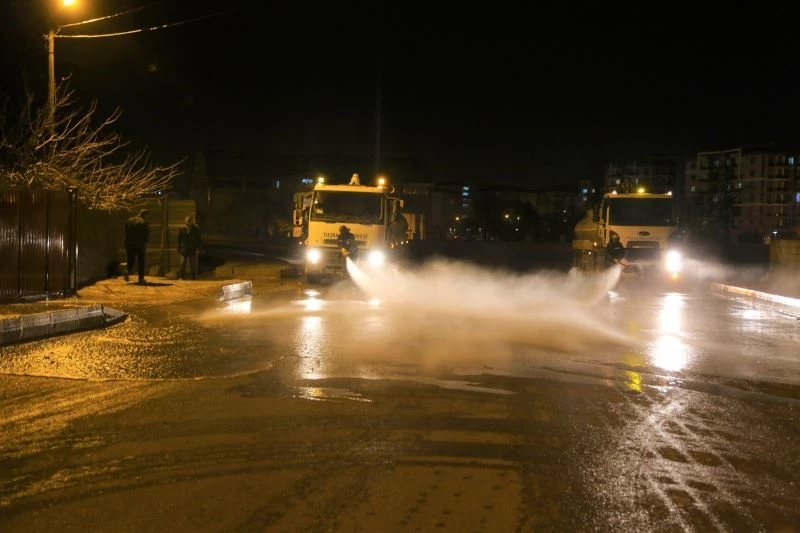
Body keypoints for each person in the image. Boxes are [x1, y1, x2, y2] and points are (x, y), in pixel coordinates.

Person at [124, 208, 149, 284]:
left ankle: (127, 270)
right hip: (140, 244)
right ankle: (141, 279)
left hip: (129, 243)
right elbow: (146, 234)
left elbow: (125, 230)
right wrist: (145, 242)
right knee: (141, 261)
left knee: (131, 259)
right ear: (145, 215)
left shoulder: (129, 220)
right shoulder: (144, 222)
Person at [178, 215, 203, 280]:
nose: (188, 222)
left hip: (192, 248)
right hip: (184, 249)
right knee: (182, 263)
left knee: (193, 264)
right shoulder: (182, 229)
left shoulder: (195, 229)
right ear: (185, 221)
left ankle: (193, 277)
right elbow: (179, 239)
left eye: (190, 221)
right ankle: (181, 277)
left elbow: (199, 239)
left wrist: (198, 248)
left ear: (192, 222)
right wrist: (179, 248)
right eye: (187, 221)